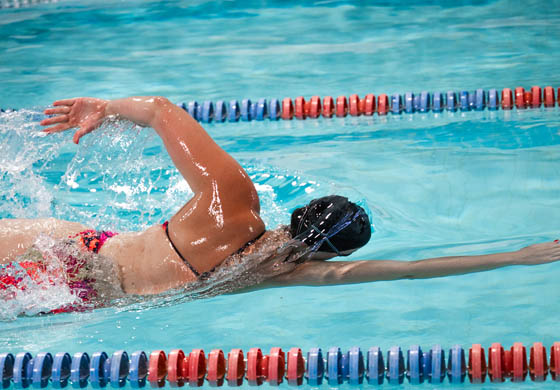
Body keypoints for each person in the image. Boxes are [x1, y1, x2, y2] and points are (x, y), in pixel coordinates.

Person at [1, 96, 559, 312]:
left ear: (302, 210)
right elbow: (411, 272)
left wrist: (106, 110)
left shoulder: (232, 201)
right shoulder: (287, 275)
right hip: (85, 298)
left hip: (78, 250)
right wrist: (517, 257)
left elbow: (161, 110)